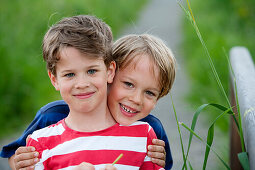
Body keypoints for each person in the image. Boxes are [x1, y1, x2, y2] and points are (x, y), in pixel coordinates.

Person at [1, 18, 175, 169]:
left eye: (150, 93)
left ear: (109, 71)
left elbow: (157, 164)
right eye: (128, 84)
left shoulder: (149, 128)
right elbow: (20, 156)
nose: (135, 99)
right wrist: (19, 162)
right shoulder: (52, 115)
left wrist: (160, 159)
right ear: (111, 76)